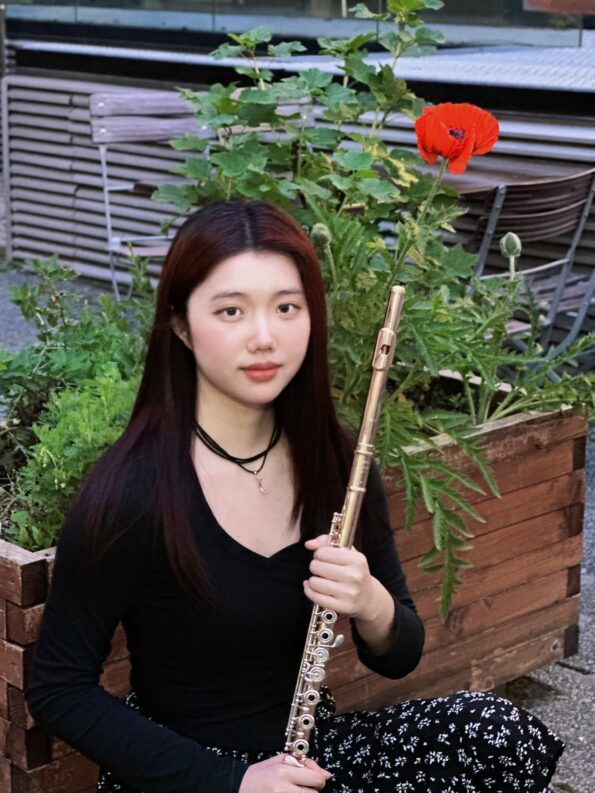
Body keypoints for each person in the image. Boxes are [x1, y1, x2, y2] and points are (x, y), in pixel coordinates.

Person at [26, 199, 564, 793]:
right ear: (180, 325)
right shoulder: (131, 490)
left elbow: (399, 657)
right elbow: (59, 688)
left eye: (286, 307)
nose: (265, 338)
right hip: (191, 773)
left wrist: (371, 602)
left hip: (307, 754)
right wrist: (234, 782)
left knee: (501, 734)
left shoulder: (333, 459)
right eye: (231, 311)